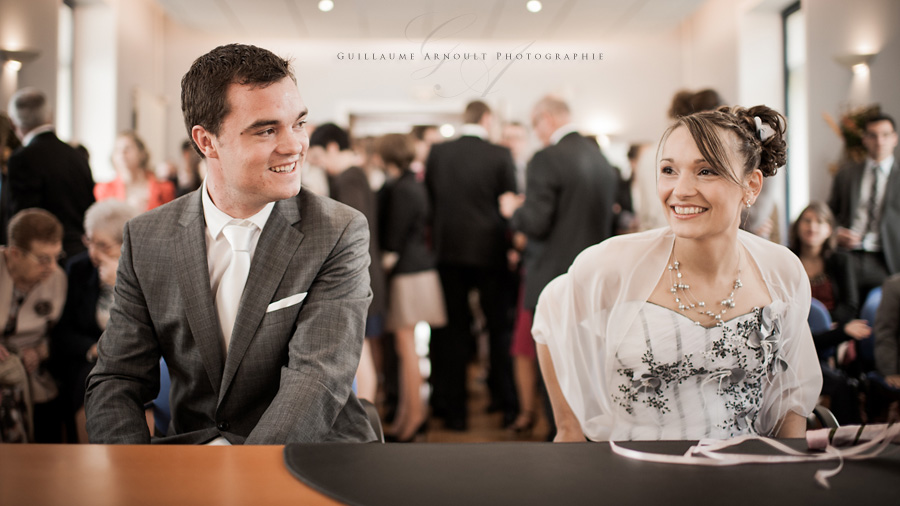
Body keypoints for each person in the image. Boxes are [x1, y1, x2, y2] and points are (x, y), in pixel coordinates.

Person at [85, 43, 376, 444]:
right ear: (206, 141)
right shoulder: (147, 238)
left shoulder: (338, 231)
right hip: (192, 452)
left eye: (299, 123)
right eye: (267, 130)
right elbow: (118, 378)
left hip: (309, 453)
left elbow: (316, 378)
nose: (295, 145)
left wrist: (243, 473)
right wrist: (131, 470)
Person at [533, 105, 822, 441]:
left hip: (745, 466)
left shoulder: (781, 270)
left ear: (751, 186)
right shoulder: (612, 264)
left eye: (706, 171)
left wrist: (789, 463)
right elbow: (552, 308)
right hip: (633, 466)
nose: (681, 190)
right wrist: (568, 427)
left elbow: (791, 399)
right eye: (669, 170)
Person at [425, 100, 518, 430]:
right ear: (487, 119)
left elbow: (430, 200)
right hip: (491, 253)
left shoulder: (439, 153)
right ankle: (506, 403)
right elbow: (509, 204)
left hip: (449, 252)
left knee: (452, 331)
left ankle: (453, 411)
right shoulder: (500, 154)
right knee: (498, 329)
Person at [308, 122, 386, 403]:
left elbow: (351, 230)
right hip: (366, 272)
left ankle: (366, 420)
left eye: (319, 156)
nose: (318, 163)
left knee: (360, 356)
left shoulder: (349, 178)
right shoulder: (353, 175)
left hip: (359, 275)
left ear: (332, 148)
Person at [377, 133, 446, 442]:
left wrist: (381, 263)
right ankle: (406, 416)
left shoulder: (404, 188)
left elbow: (395, 238)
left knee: (407, 350)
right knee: (405, 349)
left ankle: (414, 416)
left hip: (410, 273)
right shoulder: (410, 183)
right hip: (417, 269)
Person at [52, 200, 138, 443]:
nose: (93, 254)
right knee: (92, 382)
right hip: (89, 360)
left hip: (135, 359)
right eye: (89, 241)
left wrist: (120, 284)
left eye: (103, 246)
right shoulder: (79, 268)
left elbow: (149, 327)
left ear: (126, 243)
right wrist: (93, 349)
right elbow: (63, 332)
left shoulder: (142, 269)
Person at [789, 201, 870, 423]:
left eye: (820, 222)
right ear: (797, 226)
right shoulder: (786, 257)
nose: (812, 227)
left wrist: (831, 326)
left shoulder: (841, 260)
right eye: (807, 220)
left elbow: (850, 305)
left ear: (829, 230)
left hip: (833, 328)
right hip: (797, 331)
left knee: (849, 344)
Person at [1, 209, 67, 442]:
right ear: (15, 253)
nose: (52, 267)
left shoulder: (57, 279)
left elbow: (60, 333)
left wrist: (39, 352)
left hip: (35, 372)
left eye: (57, 257)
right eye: (43, 259)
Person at [6, 88, 95, 259]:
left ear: (13, 122)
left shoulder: (22, 158)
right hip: (80, 254)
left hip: (43, 258)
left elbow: (21, 219)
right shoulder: (76, 155)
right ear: (50, 115)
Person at [828, 113, 899, 302]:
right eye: (873, 135)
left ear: (895, 138)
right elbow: (829, 214)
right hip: (848, 255)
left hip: (887, 259)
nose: (879, 141)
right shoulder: (846, 174)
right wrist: (836, 232)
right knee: (841, 305)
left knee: (876, 308)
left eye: (885, 135)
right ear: (864, 139)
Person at [94, 131, 176, 211]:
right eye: (117, 149)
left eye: (128, 148)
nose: (122, 153)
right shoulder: (104, 189)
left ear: (141, 153)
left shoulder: (165, 189)